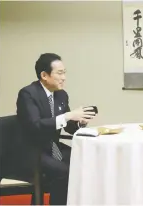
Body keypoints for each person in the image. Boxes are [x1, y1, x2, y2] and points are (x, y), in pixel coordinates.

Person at [16, 53, 96, 205]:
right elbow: (35, 125)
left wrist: (79, 122)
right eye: (59, 73)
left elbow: (69, 127)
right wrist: (68, 116)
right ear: (44, 75)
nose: (64, 77)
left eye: (64, 72)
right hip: (31, 149)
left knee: (84, 160)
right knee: (63, 171)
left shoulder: (61, 95)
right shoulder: (28, 94)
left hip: (52, 147)